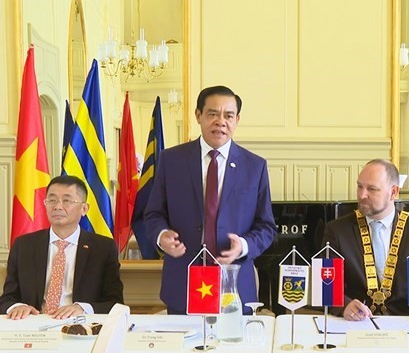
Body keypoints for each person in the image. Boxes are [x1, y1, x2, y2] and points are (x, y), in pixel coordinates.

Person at [145, 85, 277, 314]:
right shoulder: (171, 160)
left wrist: (243, 246)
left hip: (233, 283)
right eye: (213, 114)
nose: (220, 122)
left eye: (228, 115)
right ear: (198, 115)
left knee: (233, 348)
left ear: (237, 120)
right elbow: (153, 214)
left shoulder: (254, 166)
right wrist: (161, 235)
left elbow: (266, 227)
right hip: (183, 280)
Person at [322, 159, 409, 322]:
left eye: (372, 189)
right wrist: (344, 305)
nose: (362, 195)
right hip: (357, 324)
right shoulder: (337, 230)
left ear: (393, 192)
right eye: (359, 186)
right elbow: (326, 285)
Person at [0, 175, 124, 320]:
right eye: (52, 200)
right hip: (33, 325)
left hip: (80, 324)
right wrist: (17, 307)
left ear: (84, 208)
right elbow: (7, 298)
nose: (58, 206)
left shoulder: (103, 248)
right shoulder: (24, 245)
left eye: (67, 200)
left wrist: (82, 308)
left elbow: (115, 302)